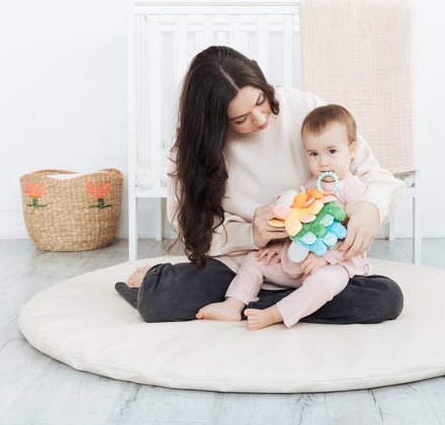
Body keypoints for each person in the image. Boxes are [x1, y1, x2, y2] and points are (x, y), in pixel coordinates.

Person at [115, 46, 404, 324]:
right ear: (214, 122)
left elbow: (376, 177)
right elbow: (188, 226)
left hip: (316, 263)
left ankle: (259, 307)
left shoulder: (308, 109)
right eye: (240, 119)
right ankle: (279, 304)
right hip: (244, 264)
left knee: (385, 298)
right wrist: (251, 234)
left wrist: (369, 207)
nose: (261, 118)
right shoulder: (192, 151)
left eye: (260, 100)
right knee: (158, 301)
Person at [196, 104, 375, 330]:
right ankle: (233, 304)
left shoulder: (353, 189)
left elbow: (354, 239)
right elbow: (300, 225)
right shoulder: (311, 185)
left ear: (351, 150)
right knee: (255, 259)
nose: (323, 162)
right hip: (299, 263)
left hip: (337, 264)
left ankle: (275, 313)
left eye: (332, 151)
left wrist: (326, 259)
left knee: (325, 282)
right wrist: (280, 246)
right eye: (314, 154)